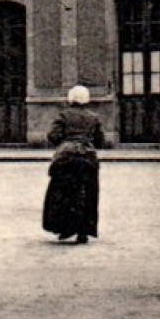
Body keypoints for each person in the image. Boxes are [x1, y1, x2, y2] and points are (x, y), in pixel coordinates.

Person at [42, 85, 108, 244]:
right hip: (88, 158)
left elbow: (53, 136)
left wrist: (65, 141)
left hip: (67, 158)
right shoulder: (94, 117)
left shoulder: (63, 116)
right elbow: (100, 140)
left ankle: (65, 227)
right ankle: (84, 230)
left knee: (62, 193)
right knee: (88, 194)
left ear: (70, 99)